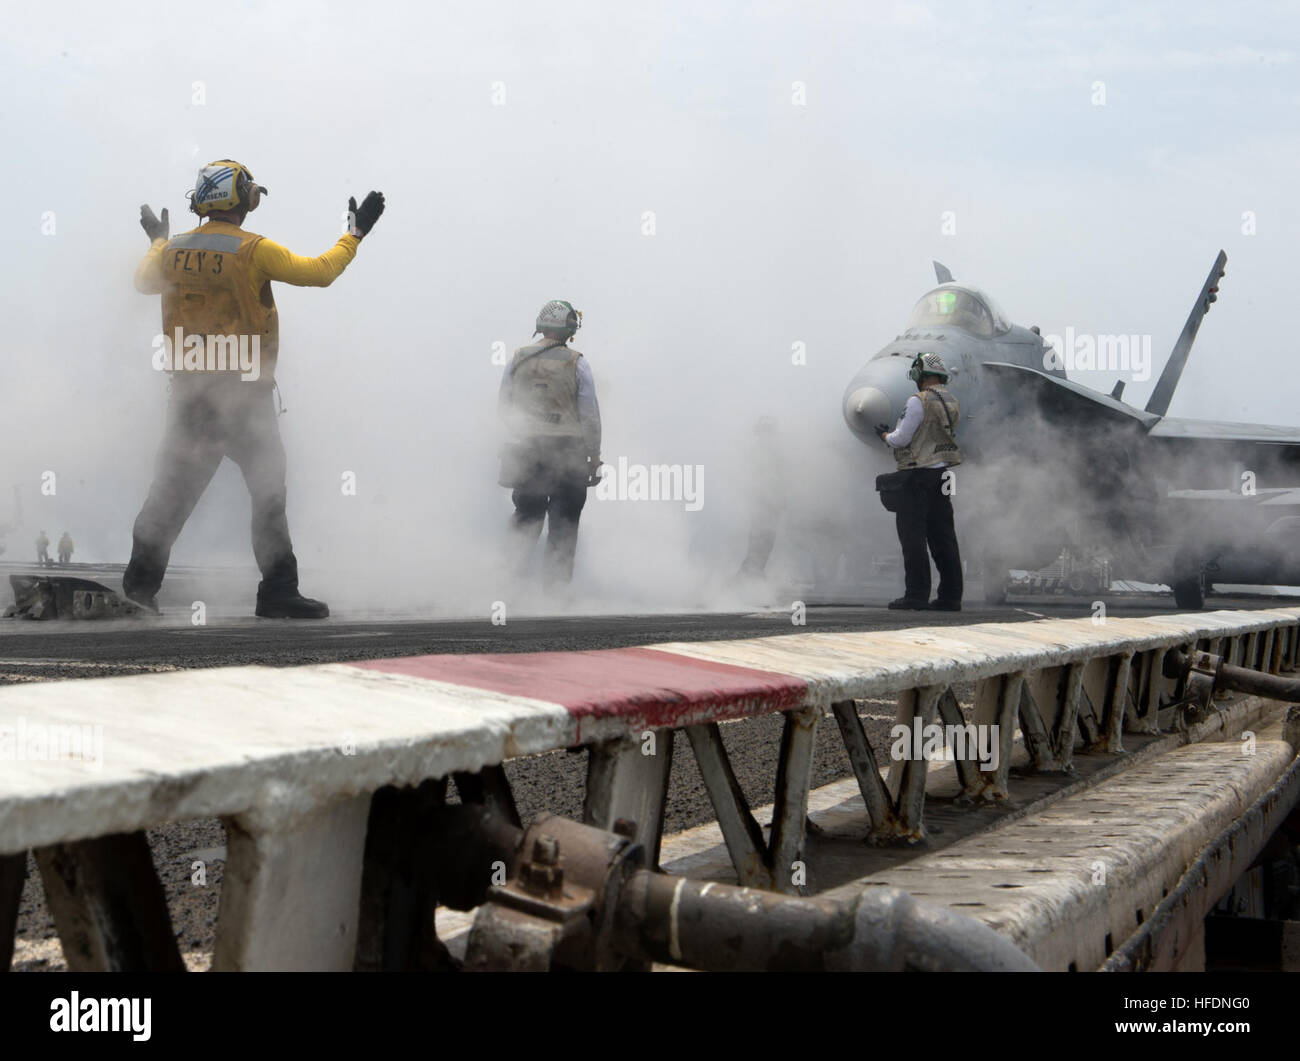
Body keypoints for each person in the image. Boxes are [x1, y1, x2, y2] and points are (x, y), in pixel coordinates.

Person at [126, 159, 385, 617]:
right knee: (268, 496)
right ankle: (279, 592)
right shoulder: (254, 250)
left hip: (190, 395)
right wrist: (355, 233)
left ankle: (137, 591)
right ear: (242, 198)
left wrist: (158, 241)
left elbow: (143, 282)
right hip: (245, 396)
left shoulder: (173, 252)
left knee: (169, 494)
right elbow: (320, 272)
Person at [498, 300, 602, 586]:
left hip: (526, 449)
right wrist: (594, 456)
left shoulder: (517, 359)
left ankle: (507, 587)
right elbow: (589, 415)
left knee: (526, 516)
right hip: (568, 449)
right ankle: (555, 596)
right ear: (569, 328)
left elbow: (504, 407)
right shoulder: (577, 362)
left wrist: (517, 441)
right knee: (565, 521)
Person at [876, 352, 963, 611]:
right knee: (943, 537)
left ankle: (916, 594)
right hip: (942, 474)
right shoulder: (951, 402)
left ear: (919, 374)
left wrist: (884, 435)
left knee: (913, 537)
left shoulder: (918, 401)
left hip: (917, 474)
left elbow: (901, 438)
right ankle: (950, 597)